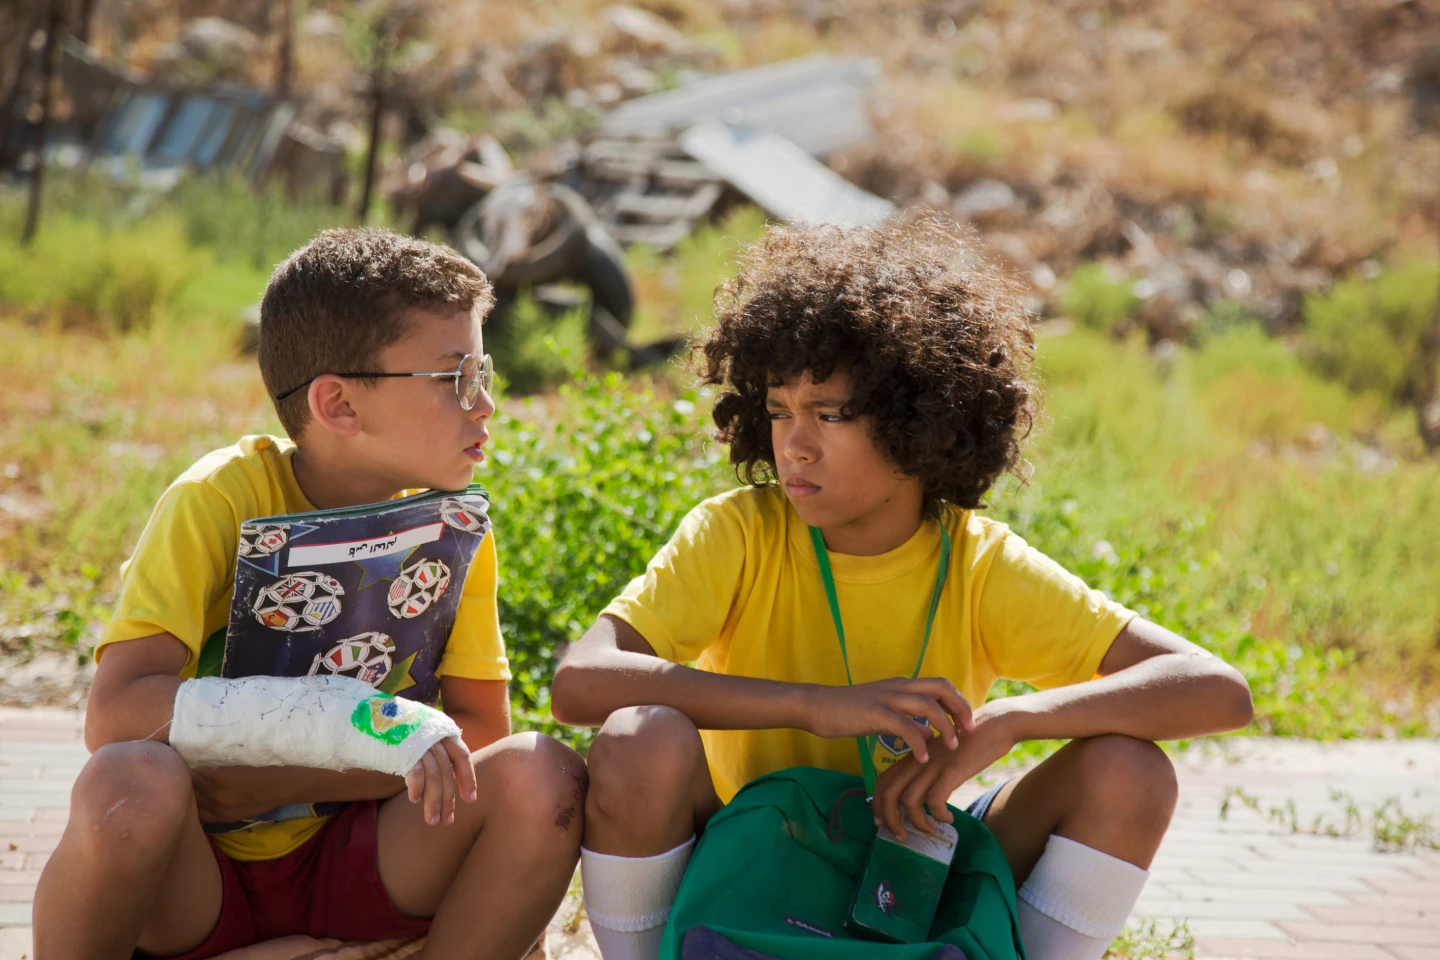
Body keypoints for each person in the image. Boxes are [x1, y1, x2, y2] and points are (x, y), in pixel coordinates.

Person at [551, 219, 1254, 960]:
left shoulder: (980, 562)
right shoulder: (742, 532)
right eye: (779, 410)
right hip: (747, 854)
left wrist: (1011, 720)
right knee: (639, 740)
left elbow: (1216, 690)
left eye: (830, 414)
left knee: (1131, 772)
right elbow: (581, 683)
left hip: (912, 860)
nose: (795, 444)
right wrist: (815, 707)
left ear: (923, 421)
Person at [34, 228, 586, 960]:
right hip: (202, 876)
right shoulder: (217, 501)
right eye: (455, 378)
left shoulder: (455, 530)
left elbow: (479, 732)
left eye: (483, 373)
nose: (483, 404)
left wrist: (284, 778)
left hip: (366, 857)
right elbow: (116, 713)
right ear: (339, 405)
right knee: (127, 781)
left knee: (542, 776)